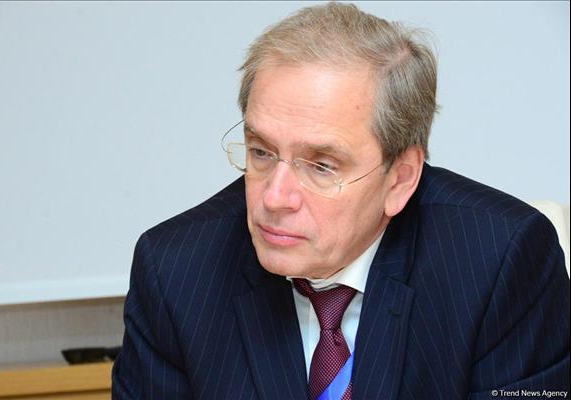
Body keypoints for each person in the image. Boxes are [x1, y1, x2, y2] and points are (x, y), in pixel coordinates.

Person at [112, 3, 570, 399]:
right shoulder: (176, 272)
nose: (274, 197)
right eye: (261, 152)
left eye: (321, 165)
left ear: (401, 179)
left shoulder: (499, 262)